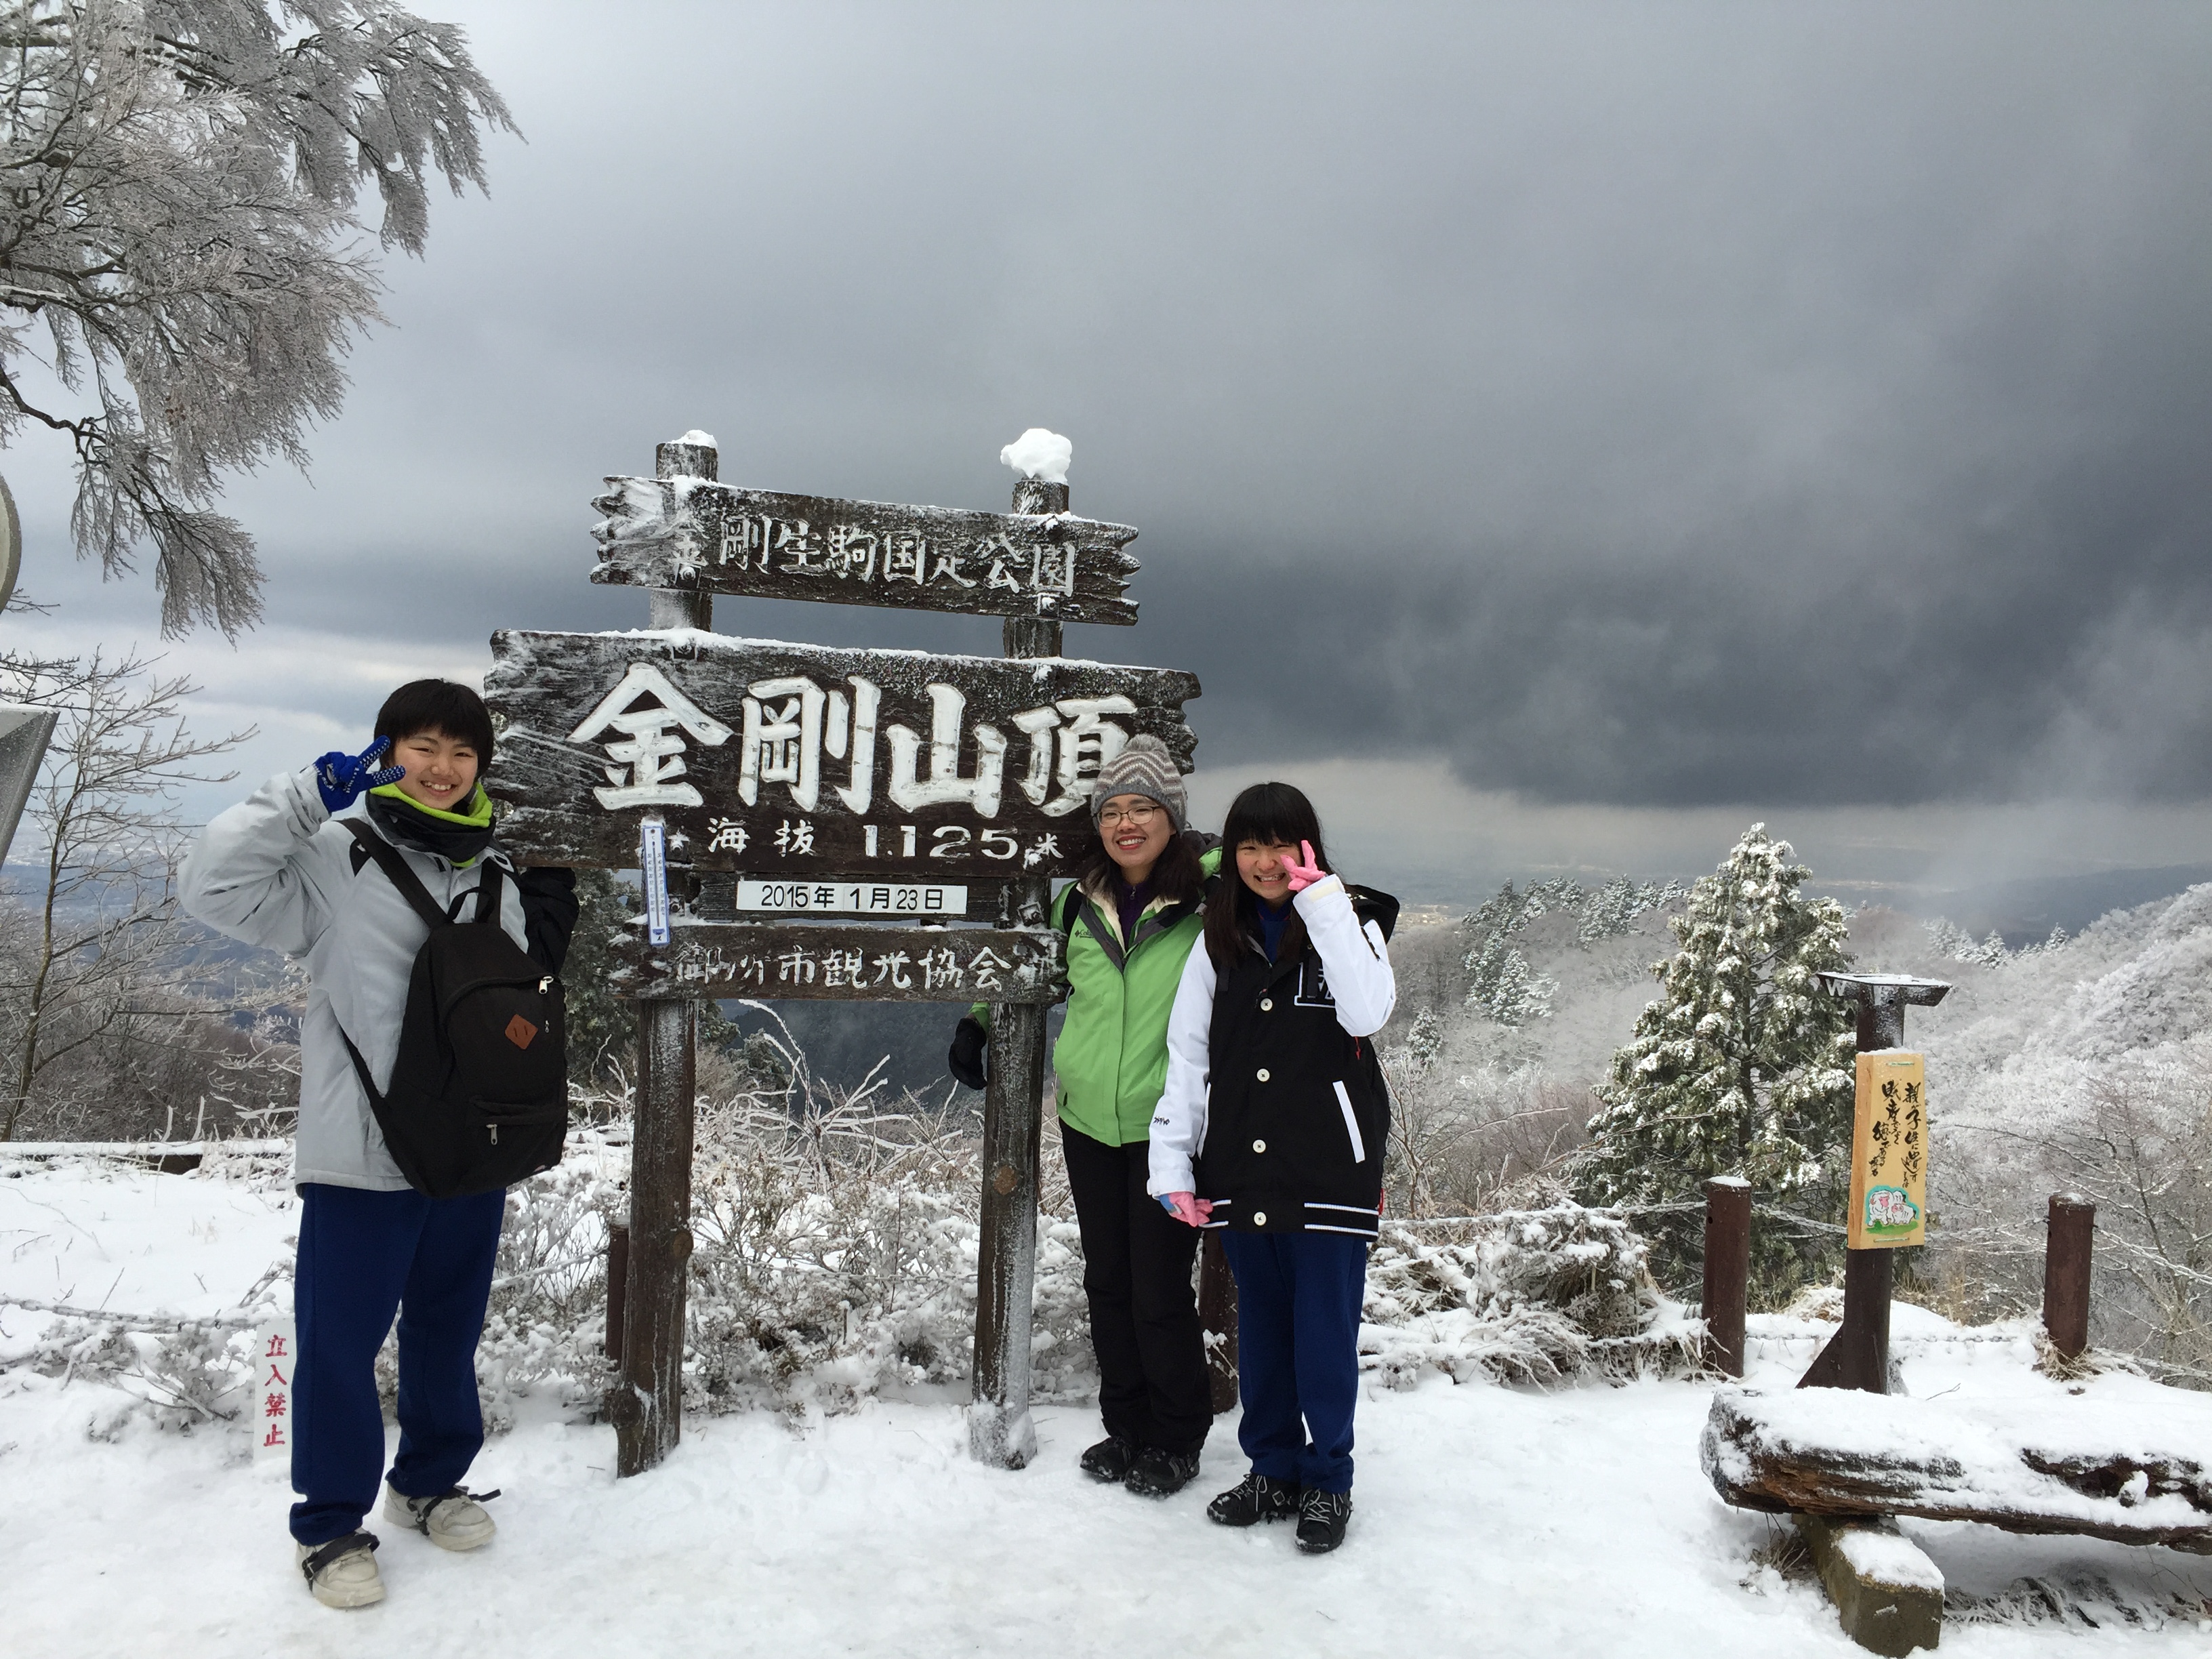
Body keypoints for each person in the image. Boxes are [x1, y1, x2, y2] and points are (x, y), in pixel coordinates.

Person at [180, 680, 577, 1610]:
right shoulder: (335, 855)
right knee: (340, 1343)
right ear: (385, 751)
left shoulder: (497, 871)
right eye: (422, 747)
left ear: (482, 767)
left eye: (462, 753)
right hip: (363, 1150)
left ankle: (429, 1483)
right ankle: (327, 1526)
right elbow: (211, 888)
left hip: (472, 1148)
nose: (442, 768)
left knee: (448, 1328)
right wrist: (304, 797)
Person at [947, 735, 1221, 1496]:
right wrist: (976, 1020)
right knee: (1108, 1281)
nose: (1126, 824)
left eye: (1143, 808)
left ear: (1172, 816)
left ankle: (1177, 1436)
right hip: (1088, 1119)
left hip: (1173, 1128)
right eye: (1112, 811)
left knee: (1159, 1290)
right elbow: (1035, 971)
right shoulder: (1079, 900)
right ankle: (1126, 1427)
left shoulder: (1208, 899)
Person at [1148, 781, 1397, 1555]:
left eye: (1280, 845)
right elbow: (1189, 1056)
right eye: (1249, 847)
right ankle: (1273, 1468)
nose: (1264, 862)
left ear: (1307, 847)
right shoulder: (1217, 938)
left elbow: (1367, 1012)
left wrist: (1321, 903)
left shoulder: (1351, 922)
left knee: (1323, 1335)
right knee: (1261, 1331)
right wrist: (1173, 1163)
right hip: (1243, 1165)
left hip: (1330, 1170)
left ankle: (1328, 1480)